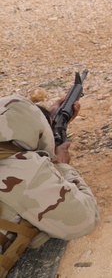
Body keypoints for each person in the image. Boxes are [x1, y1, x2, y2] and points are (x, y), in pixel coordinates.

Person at [0, 95, 100, 276]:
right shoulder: (26, 171)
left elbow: (12, 122)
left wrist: (44, 119)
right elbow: (86, 219)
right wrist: (62, 166)